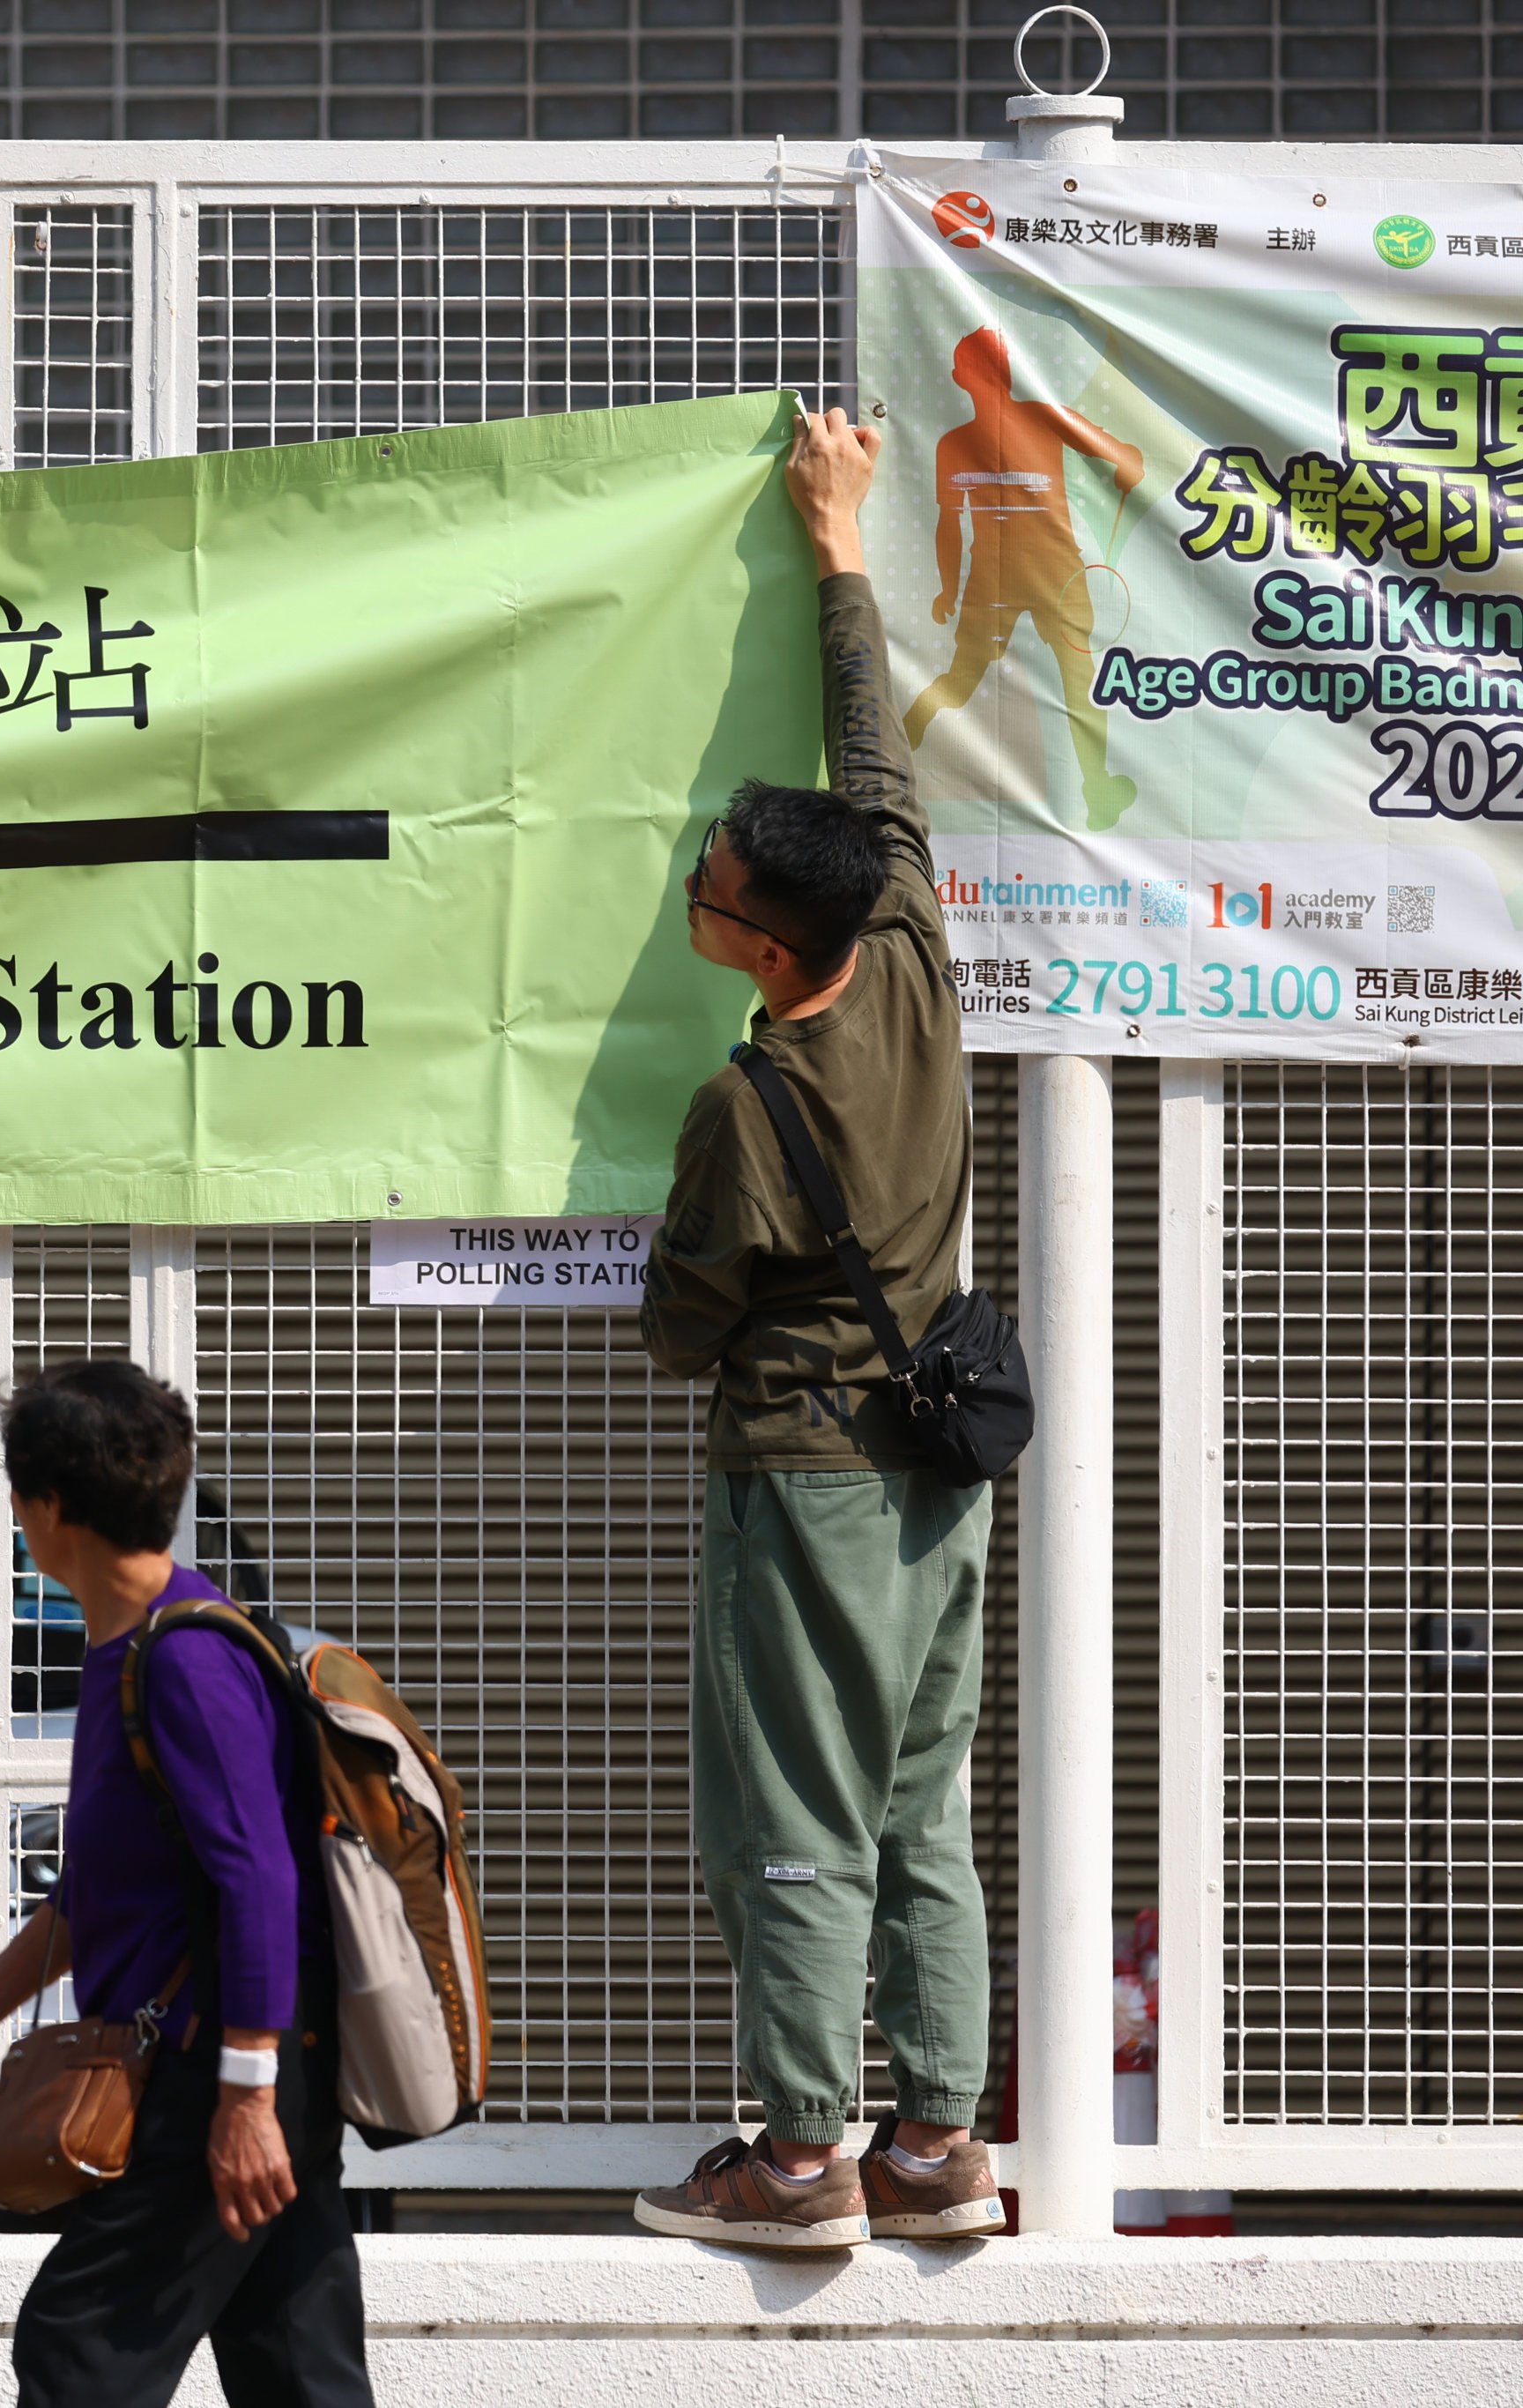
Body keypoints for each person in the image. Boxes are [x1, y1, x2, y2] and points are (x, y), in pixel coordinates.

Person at [630, 404, 1005, 2250]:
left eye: (704, 889)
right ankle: (936, 2140)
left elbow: (679, 1330)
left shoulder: (742, 1103)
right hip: (943, 1471)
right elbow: (874, 758)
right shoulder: (915, 941)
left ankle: (794, 2158)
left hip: (806, 1480)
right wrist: (838, 542)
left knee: (791, 1805)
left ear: (765, 946)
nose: (691, 890)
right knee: (920, 1795)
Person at [0, 1362, 372, 2408]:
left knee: (76, 2346)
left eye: (13, 1493)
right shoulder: (129, 1645)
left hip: (217, 2066)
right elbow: (93, 1888)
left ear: (45, 1509)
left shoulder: (185, 1657)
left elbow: (258, 1880)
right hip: (242, 2063)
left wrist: (246, 2095)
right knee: (294, 2364)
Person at [899, 328, 1146, 828]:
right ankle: (1098, 791)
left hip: (997, 579)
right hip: (1057, 576)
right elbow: (1129, 461)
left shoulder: (954, 444)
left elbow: (951, 525)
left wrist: (949, 588)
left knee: (960, 681)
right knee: (1079, 685)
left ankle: (889, 765)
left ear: (959, 378)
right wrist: (1127, 471)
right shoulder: (1045, 419)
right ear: (1008, 372)